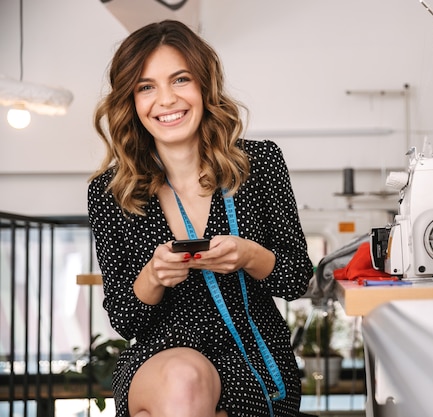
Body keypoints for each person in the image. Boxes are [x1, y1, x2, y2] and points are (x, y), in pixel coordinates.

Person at [88, 20, 314, 417]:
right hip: (162, 356)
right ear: (131, 100)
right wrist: (154, 275)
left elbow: (296, 278)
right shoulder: (110, 192)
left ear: (204, 85)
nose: (166, 100)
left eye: (180, 80)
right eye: (146, 86)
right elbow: (125, 320)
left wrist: (248, 256)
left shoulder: (259, 164)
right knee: (184, 380)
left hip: (253, 360)